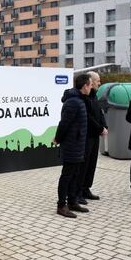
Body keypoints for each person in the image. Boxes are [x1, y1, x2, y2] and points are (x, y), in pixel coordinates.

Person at [54, 74, 92, 218]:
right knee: (67, 175)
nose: (91, 88)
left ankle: (72, 201)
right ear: (84, 86)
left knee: (75, 174)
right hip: (71, 145)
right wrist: (58, 138)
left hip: (78, 145)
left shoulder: (80, 100)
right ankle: (61, 205)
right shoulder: (73, 102)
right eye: (90, 85)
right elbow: (64, 123)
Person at [76, 71, 108, 205]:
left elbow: (99, 114)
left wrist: (104, 126)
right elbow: (88, 118)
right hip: (86, 136)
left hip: (95, 136)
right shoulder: (84, 97)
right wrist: (100, 128)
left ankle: (86, 188)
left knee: (92, 164)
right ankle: (78, 192)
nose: (99, 83)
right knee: (84, 165)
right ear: (90, 81)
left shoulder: (94, 96)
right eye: (98, 80)